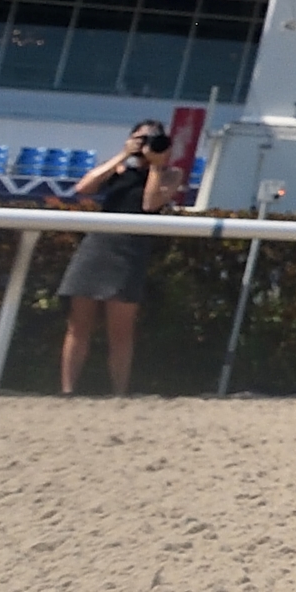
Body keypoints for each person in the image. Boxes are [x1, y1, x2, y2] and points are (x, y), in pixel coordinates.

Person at [55, 122, 179, 395]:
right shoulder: (119, 169)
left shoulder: (171, 174)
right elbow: (84, 187)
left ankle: (119, 391)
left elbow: (150, 205)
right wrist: (123, 155)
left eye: (152, 139)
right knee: (78, 324)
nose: (146, 144)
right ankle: (68, 390)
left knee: (120, 330)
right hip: (98, 243)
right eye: (141, 138)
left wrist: (156, 165)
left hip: (131, 248)